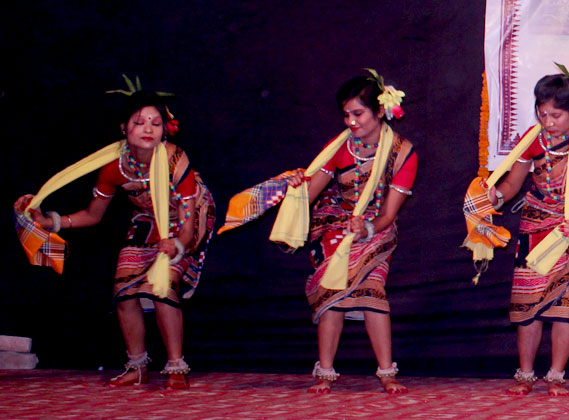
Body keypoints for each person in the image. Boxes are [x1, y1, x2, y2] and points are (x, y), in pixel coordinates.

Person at [223, 70, 416, 394]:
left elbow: (388, 215)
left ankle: (387, 372)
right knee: (332, 290)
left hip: (376, 230)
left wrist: (367, 228)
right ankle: (325, 372)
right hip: (334, 224)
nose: (351, 122)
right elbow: (310, 193)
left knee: (372, 289)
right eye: (346, 115)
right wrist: (297, 186)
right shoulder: (339, 147)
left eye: (358, 114)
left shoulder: (403, 153)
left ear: (380, 111)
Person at [14, 85, 215, 390]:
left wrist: (176, 244)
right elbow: (93, 215)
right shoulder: (114, 167)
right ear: (124, 128)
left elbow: (188, 223)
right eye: (139, 122)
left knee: (162, 285)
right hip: (148, 219)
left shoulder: (175, 159)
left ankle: (176, 365)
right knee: (123, 289)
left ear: (164, 130)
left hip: (190, 217)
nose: (147, 129)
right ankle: (137, 366)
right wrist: (51, 221)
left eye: (155, 123)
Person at [484, 70, 569, 396]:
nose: (548, 122)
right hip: (535, 225)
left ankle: (556, 375)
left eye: (556, 115)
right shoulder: (533, 138)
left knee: (565, 305)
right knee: (527, 303)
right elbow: (513, 183)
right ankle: (525, 375)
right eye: (542, 114)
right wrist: (495, 197)